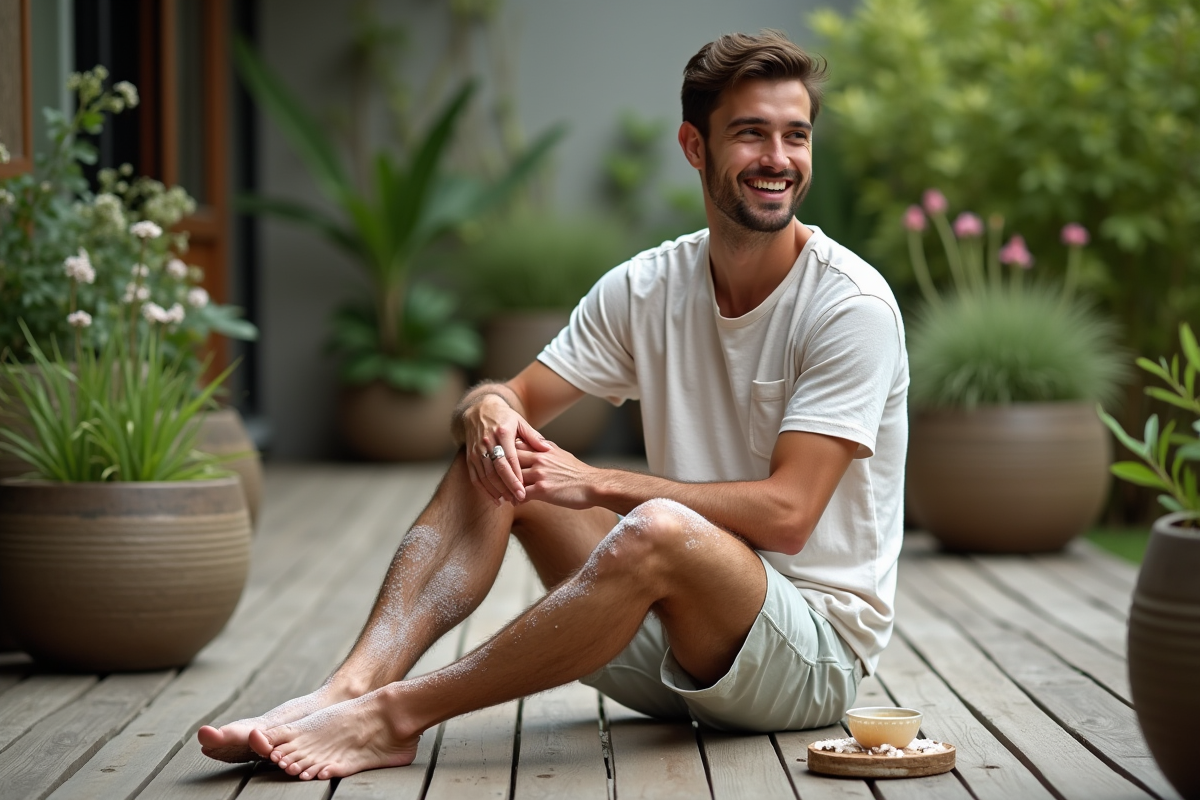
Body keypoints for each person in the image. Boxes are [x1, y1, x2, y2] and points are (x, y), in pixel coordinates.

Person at [197, 29, 908, 781]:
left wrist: (601, 483)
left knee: (657, 527)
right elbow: (514, 394)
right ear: (695, 147)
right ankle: (349, 687)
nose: (778, 159)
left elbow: (789, 517)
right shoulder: (647, 287)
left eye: (795, 136)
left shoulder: (847, 306)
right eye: (750, 134)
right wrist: (487, 411)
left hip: (806, 659)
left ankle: (393, 717)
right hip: (664, 645)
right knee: (498, 452)